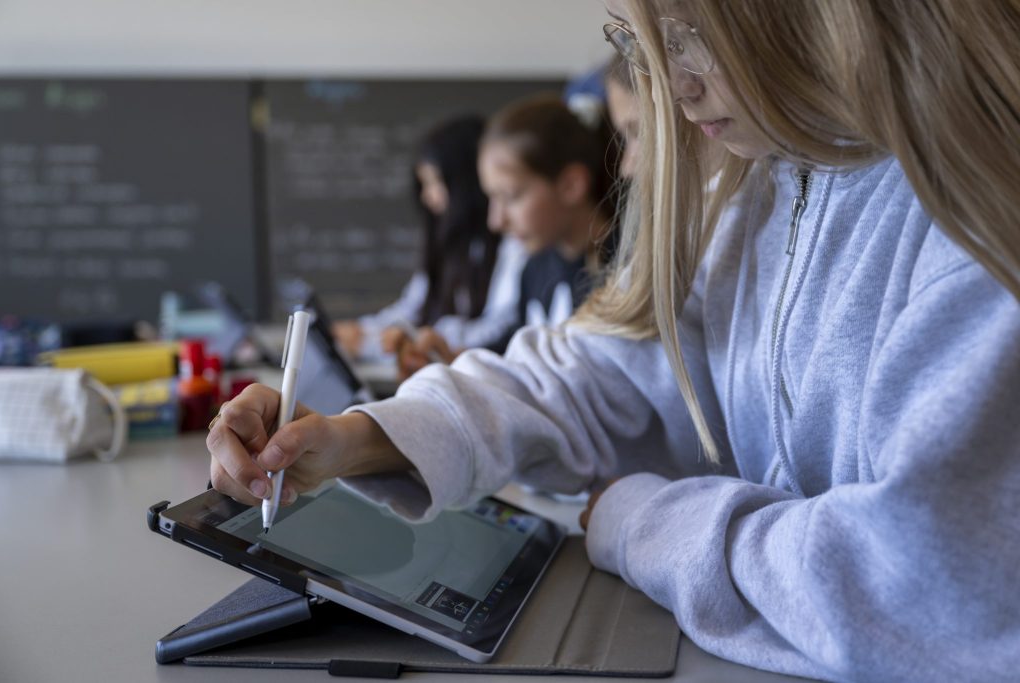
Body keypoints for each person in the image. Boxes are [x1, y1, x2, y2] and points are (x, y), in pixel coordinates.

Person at [208, 1, 1020, 681]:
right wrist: (358, 438)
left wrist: (636, 523)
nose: (673, 81)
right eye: (640, 41)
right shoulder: (771, 188)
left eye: (693, 31)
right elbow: (594, 372)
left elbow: (925, 585)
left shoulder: (974, 223)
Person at [392, 94, 621, 377]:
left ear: (571, 185)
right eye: (491, 199)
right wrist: (451, 360)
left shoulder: (625, 274)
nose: (495, 221)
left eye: (511, 197)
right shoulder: (536, 269)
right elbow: (512, 355)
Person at [332, 115, 526, 360]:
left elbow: (498, 333)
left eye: (435, 183)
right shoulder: (447, 245)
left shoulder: (514, 246)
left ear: (465, 181)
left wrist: (412, 339)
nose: (428, 197)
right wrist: (364, 331)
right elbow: (413, 307)